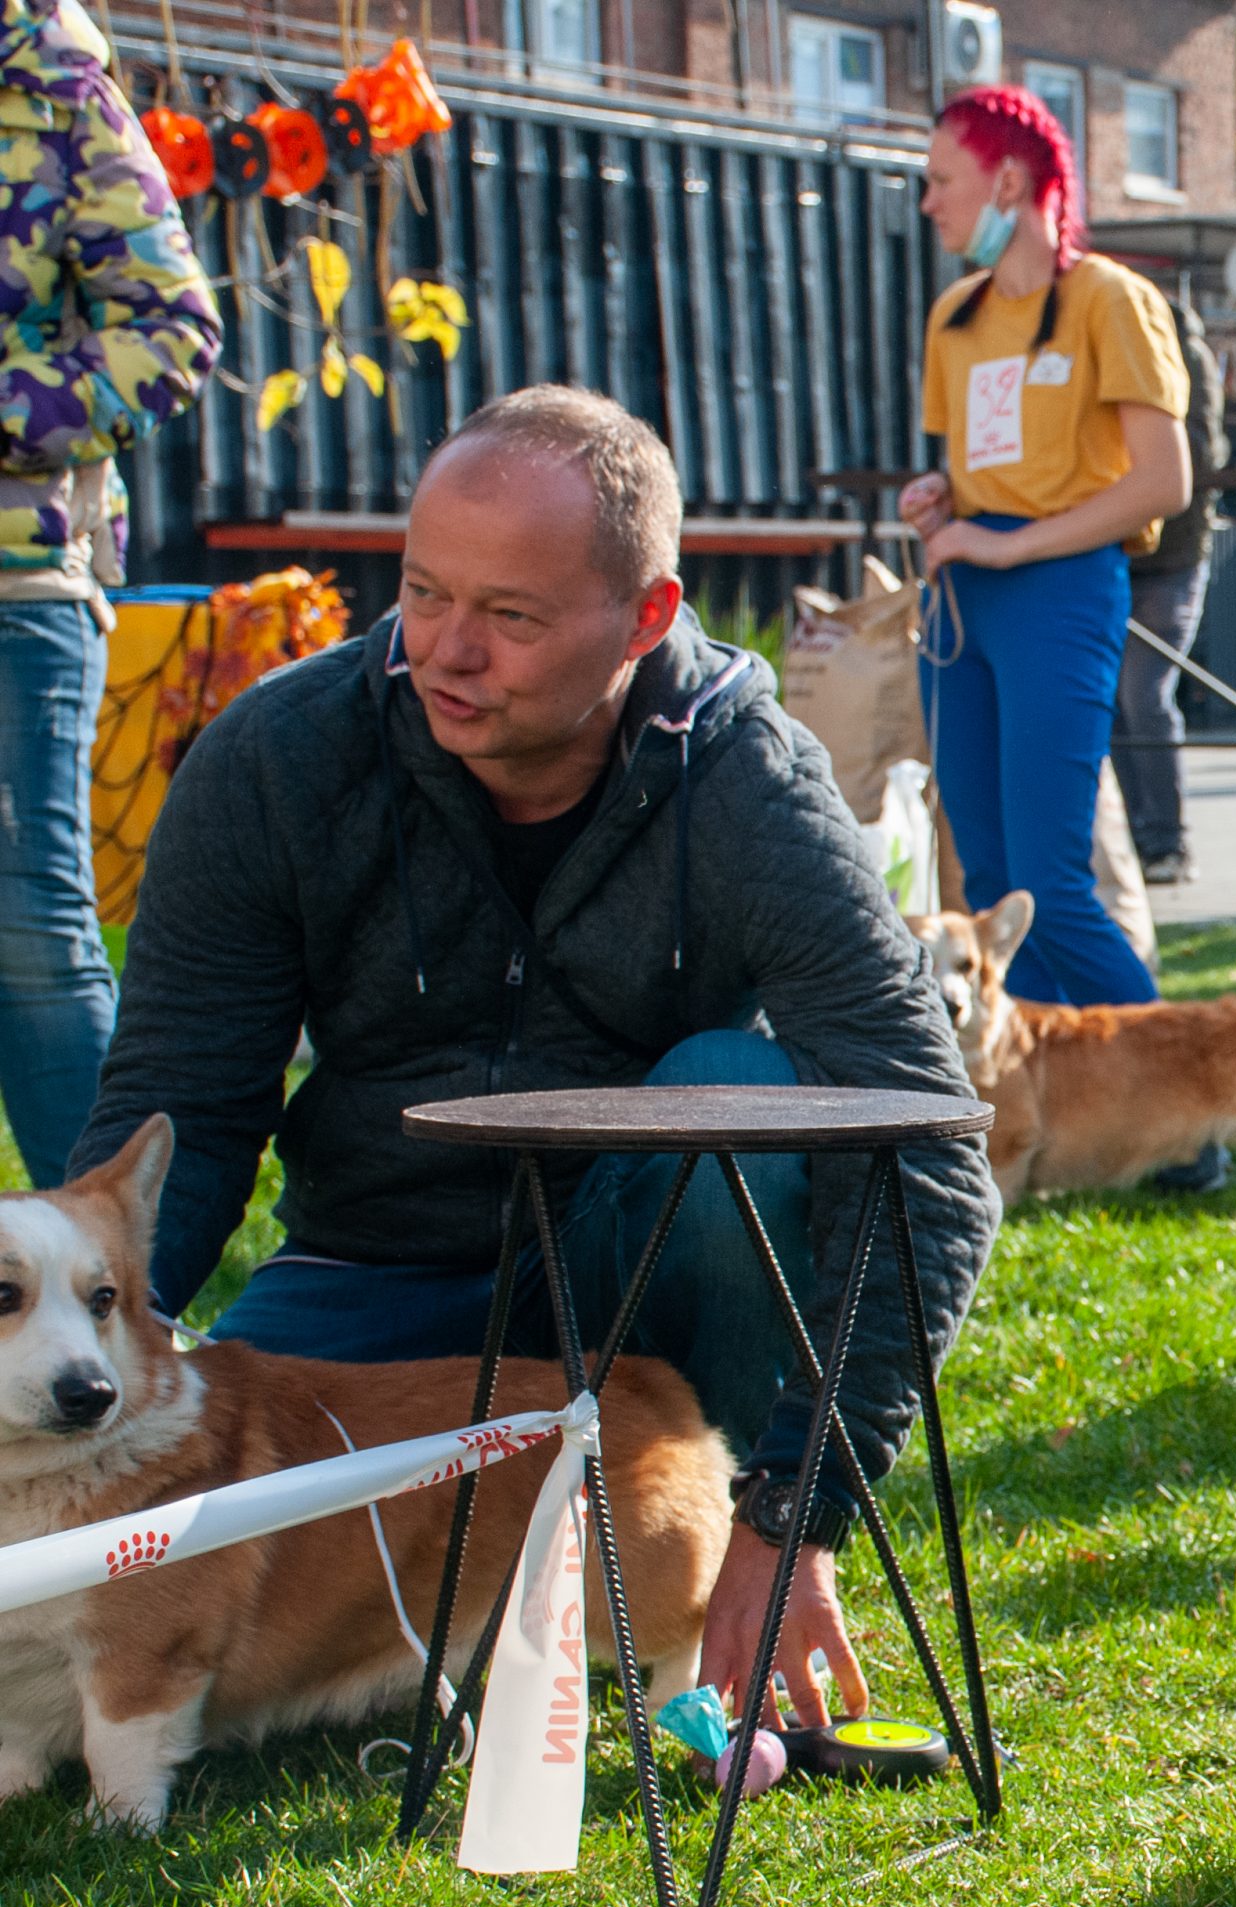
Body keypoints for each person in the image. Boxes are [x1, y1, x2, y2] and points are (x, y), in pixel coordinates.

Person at [69, 387, 1003, 1730]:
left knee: (729, 1097)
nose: (447, 650)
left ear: (648, 618)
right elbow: (179, 1115)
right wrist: (68, 1356)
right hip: (370, 1286)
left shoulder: (750, 781)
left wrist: (802, 1499)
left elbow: (924, 1136)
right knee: (189, 1614)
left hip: (641, 1273)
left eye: (509, 617)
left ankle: (697, 1552)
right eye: (422, 592)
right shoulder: (273, 758)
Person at [900, 84, 1190, 1009]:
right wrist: (940, 501)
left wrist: (1008, 547)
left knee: (1050, 890)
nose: (928, 200)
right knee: (986, 891)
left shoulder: (1111, 298)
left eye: (943, 179)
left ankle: (1183, 1119)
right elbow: (984, 467)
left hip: (1056, 594)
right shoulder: (954, 316)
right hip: (963, 601)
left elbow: (1163, 484)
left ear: (1012, 180)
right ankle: (1041, 1112)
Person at [0, 0, 219, 1188]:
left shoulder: (52, 82)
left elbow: (171, 330)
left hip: (16, 586)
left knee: (26, 936)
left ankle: (125, 1293)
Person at [1111, 292, 1225, 886]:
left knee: (1145, 695)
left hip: (1171, 554)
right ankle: (1135, 836)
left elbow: (1203, 452)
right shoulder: (1104, 346)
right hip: (1111, 547)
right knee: (1110, 703)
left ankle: (1168, 841)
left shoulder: (1184, 350)